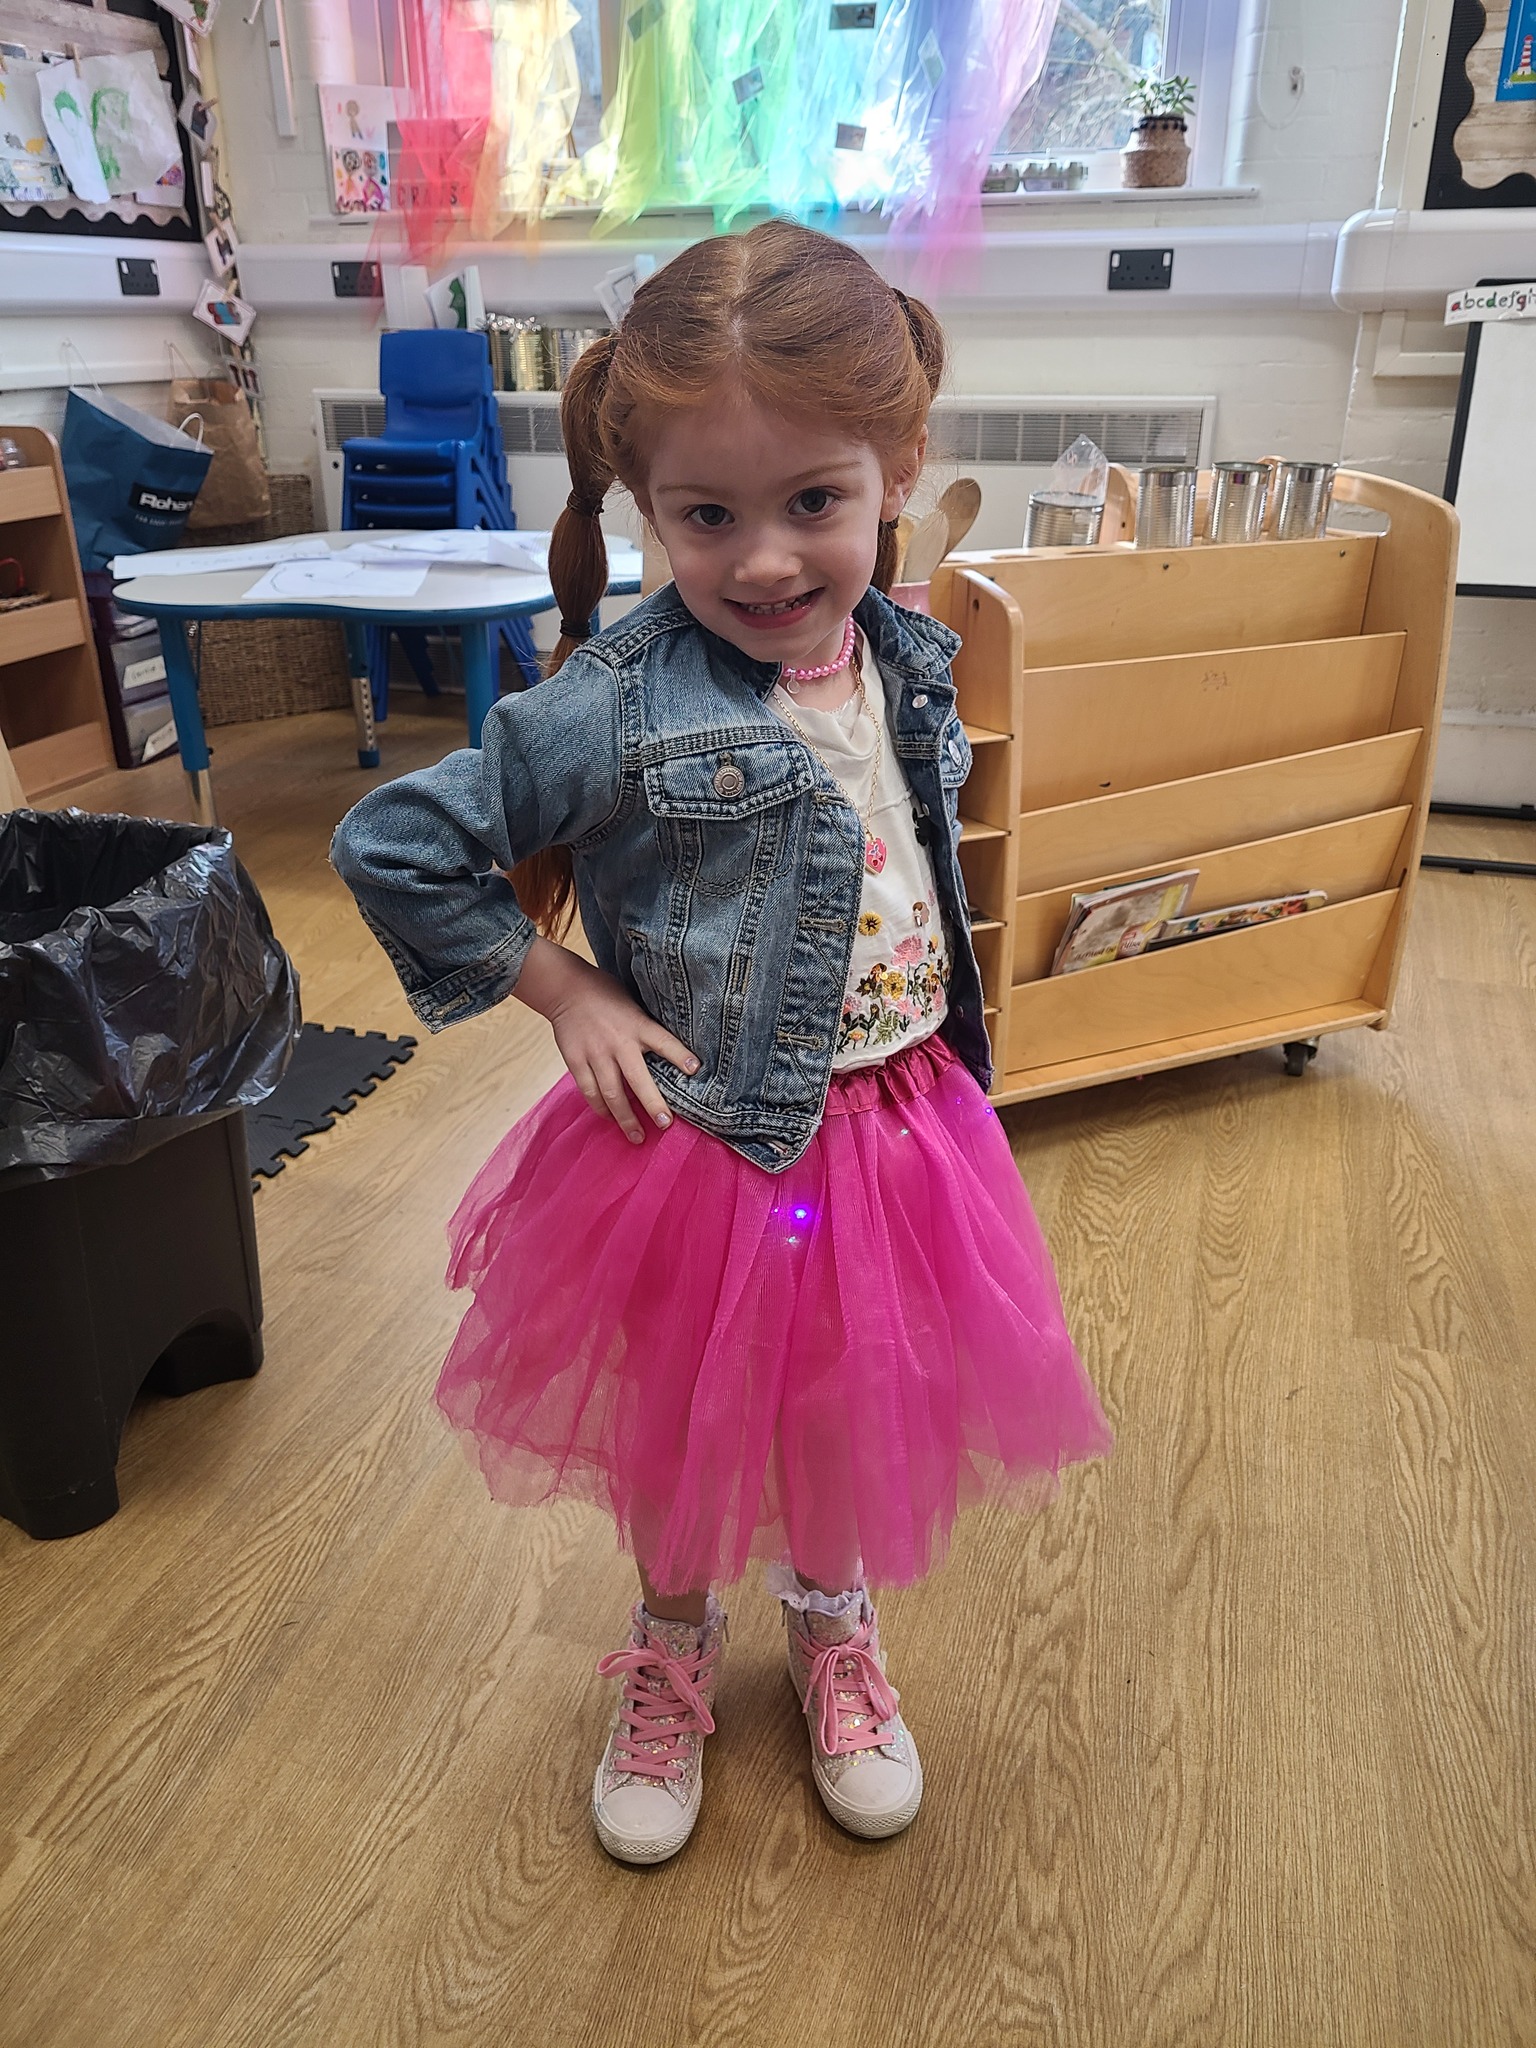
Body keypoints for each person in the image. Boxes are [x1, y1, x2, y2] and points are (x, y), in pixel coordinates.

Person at [332, 219, 1112, 1868]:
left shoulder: (907, 652)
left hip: (899, 1135)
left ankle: (832, 1625)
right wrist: (563, 990)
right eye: (707, 516)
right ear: (644, 505)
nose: (763, 561)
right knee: (686, 1416)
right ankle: (671, 1647)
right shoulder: (618, 700)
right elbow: (396, 844)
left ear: (899, 472)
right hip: (700, 1155)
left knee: (842, 1400)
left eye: (813, 501)